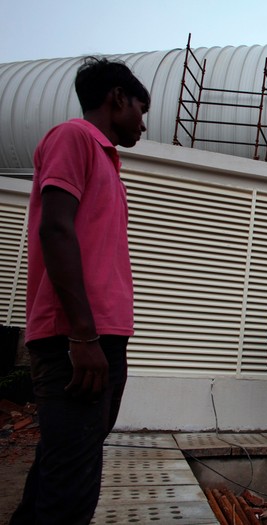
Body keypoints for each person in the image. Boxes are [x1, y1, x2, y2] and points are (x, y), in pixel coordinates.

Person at [11, 57, 150, 525]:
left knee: (63, 467)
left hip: (101, 338)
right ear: (116, 98)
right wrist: (84, 338)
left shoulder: (108, 162)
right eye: (140, 109)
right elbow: (55, 230)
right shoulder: (74, 137)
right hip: (77, 340)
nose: (143, 123)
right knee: (72, 491)